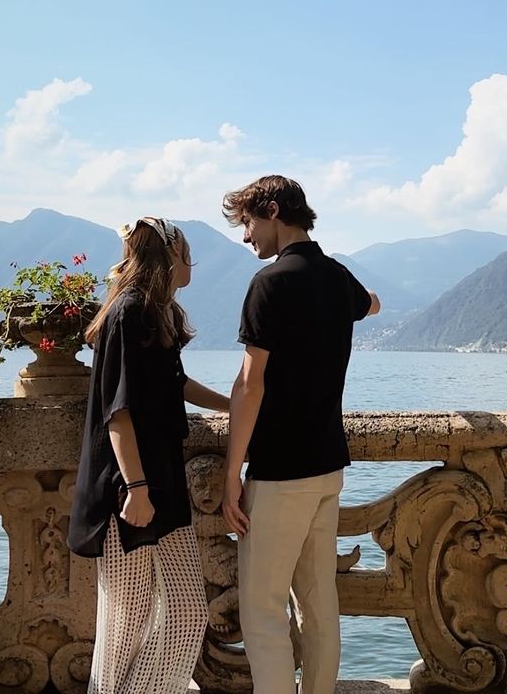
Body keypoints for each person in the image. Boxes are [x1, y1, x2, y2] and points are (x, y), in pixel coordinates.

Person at [221, 175, 380, 694]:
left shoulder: (270, 284)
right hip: (328, 467)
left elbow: (249, 384)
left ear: (271, 211)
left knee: (264, 611)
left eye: (247, 222)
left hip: (280, 471)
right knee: (319, 604)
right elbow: (370, 304)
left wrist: (230, 475)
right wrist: (361, 300)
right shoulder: (336, 277)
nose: (246, 237)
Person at [68, 216, 230, 694]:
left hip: (161, 479)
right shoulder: (131, 312)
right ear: (169, 256)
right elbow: (117, 413)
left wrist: (233, 404)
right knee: (126, 618)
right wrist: (136, 489)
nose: (192, 264)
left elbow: (172, 385)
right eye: (187, 253)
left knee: (187, 612)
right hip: (130, 488)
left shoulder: (158, 313)